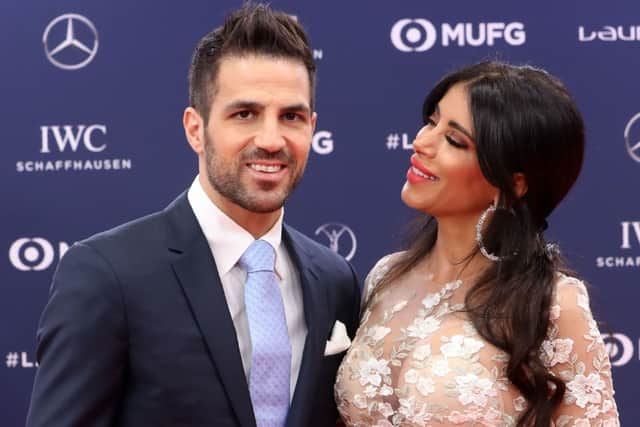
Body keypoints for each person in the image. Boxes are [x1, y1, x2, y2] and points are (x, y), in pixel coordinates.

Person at [26, 4, 360, 427]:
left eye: (290, 117)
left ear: (312, 127)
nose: (272, 140)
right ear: (195, 129)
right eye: (245, 114)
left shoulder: (334, 280)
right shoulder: (107, 275)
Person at [335, 61, 619, 426]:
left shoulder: (553, 305)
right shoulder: (385, 277)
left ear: (514, 184)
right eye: (431, 121)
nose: (421, 142)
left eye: (454, 140)